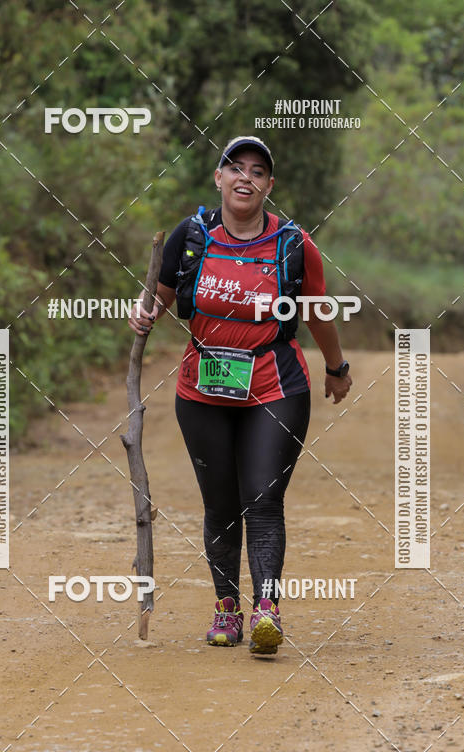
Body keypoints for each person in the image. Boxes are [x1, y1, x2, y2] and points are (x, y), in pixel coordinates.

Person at [129, 135, 352, 655]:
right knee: (221, 503)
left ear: (269, 185)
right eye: (235, 167)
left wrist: (336, 367)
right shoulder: (192, 235)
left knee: (263, 497)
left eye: (257, 171)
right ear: (219, 178)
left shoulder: (293, 245)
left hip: (275, 385)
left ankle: (266, 609)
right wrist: (143, 313)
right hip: (202, 389)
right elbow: (159, 296)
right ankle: (227, 608)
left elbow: (318, 311)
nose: (244, 177)